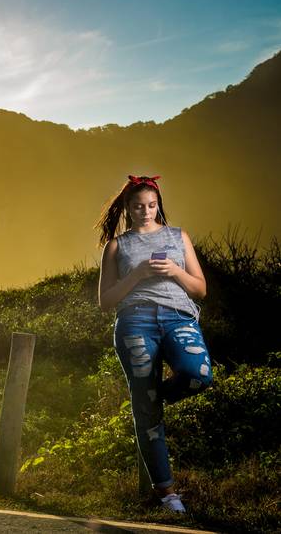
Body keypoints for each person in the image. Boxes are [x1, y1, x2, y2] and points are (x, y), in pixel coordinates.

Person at [96, 174, 213, 513]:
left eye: (151, 205)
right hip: (135, 321)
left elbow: (200, 289)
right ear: (127, 209)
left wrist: (175, 272)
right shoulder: (117, 246)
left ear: (158, 205)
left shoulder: (179, 236)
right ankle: (167, 493)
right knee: (147, 414)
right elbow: (106, 301)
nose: (146, 211)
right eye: (138, 207)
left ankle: (148, 401)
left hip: (179, 317)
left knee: (199, 373)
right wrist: (138, 274)